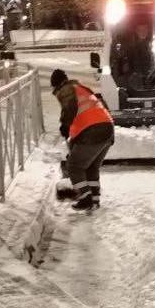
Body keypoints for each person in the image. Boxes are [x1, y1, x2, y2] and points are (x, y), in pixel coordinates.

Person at [51, 69, 114, 211]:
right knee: (91, 167)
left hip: (93, 131)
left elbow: (70, 108)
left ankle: (85, 198)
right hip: (107, 129)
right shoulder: (80, 88)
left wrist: (65, 125)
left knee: (74, 166)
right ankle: (95, 200)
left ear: (57, 85)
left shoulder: (66, 90)